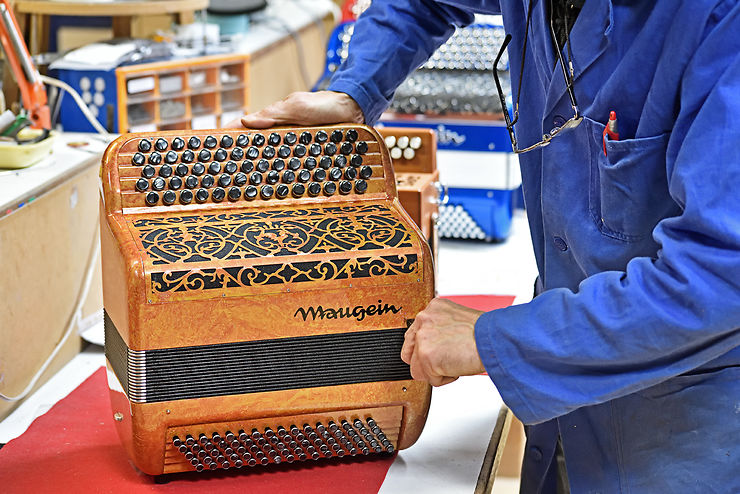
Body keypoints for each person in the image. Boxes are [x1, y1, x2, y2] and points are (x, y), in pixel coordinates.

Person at [229, 1, 740, 492]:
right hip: (560, 413)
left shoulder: (721, 21)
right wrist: (357, 88)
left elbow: (718, 278)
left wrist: (493, 341)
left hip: (683, 428)